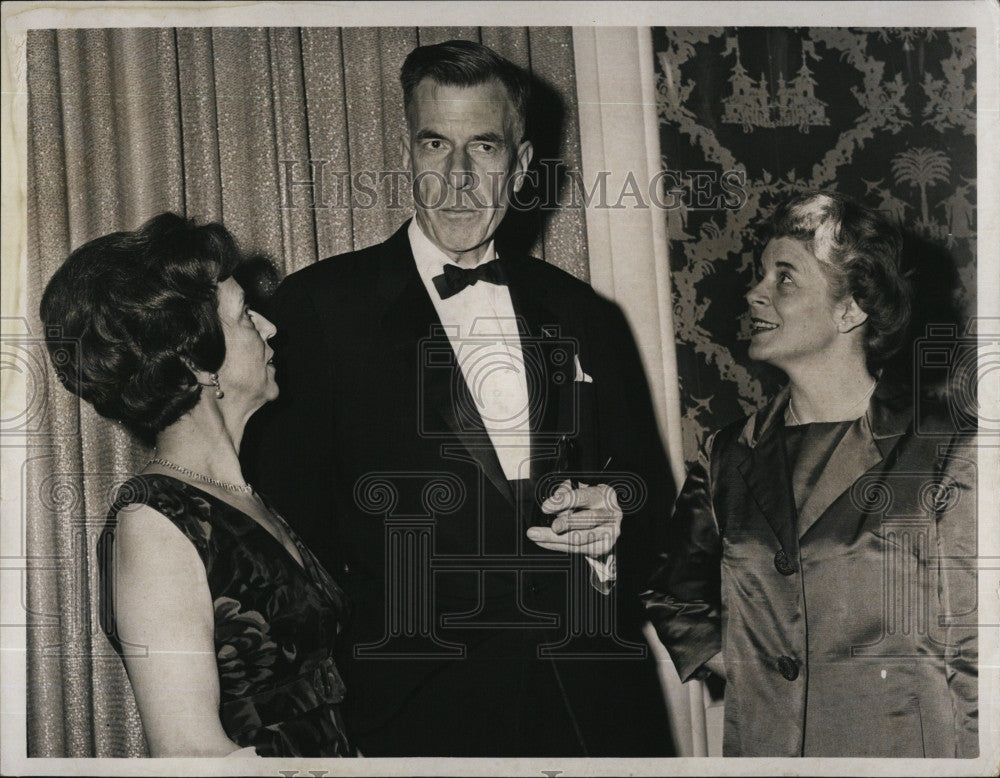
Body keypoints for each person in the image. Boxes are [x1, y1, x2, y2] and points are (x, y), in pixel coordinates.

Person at [242, 40, 675, 756]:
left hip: (594, 713)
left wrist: (620, 511)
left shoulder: (584, 314)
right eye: (435, 143)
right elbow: (289, 550)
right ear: (408, 151)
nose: (458, 178)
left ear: (524, 164)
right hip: (411, 722)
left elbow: (653, 501)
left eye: (485, 146)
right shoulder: (319, 310)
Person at [643, 190, 978, 757]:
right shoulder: (729, 453)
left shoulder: (945, 452)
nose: (754, 293)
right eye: (759, 275)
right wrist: (759, 672)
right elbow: (672, 593)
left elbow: (976, 659)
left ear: (851, 309)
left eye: (785, 278)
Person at [40, 213, 354, 757]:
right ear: (194, 359)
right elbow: (189, 754)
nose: (271, 327)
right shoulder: (153, 526)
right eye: (245, 317)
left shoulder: (243, 496)